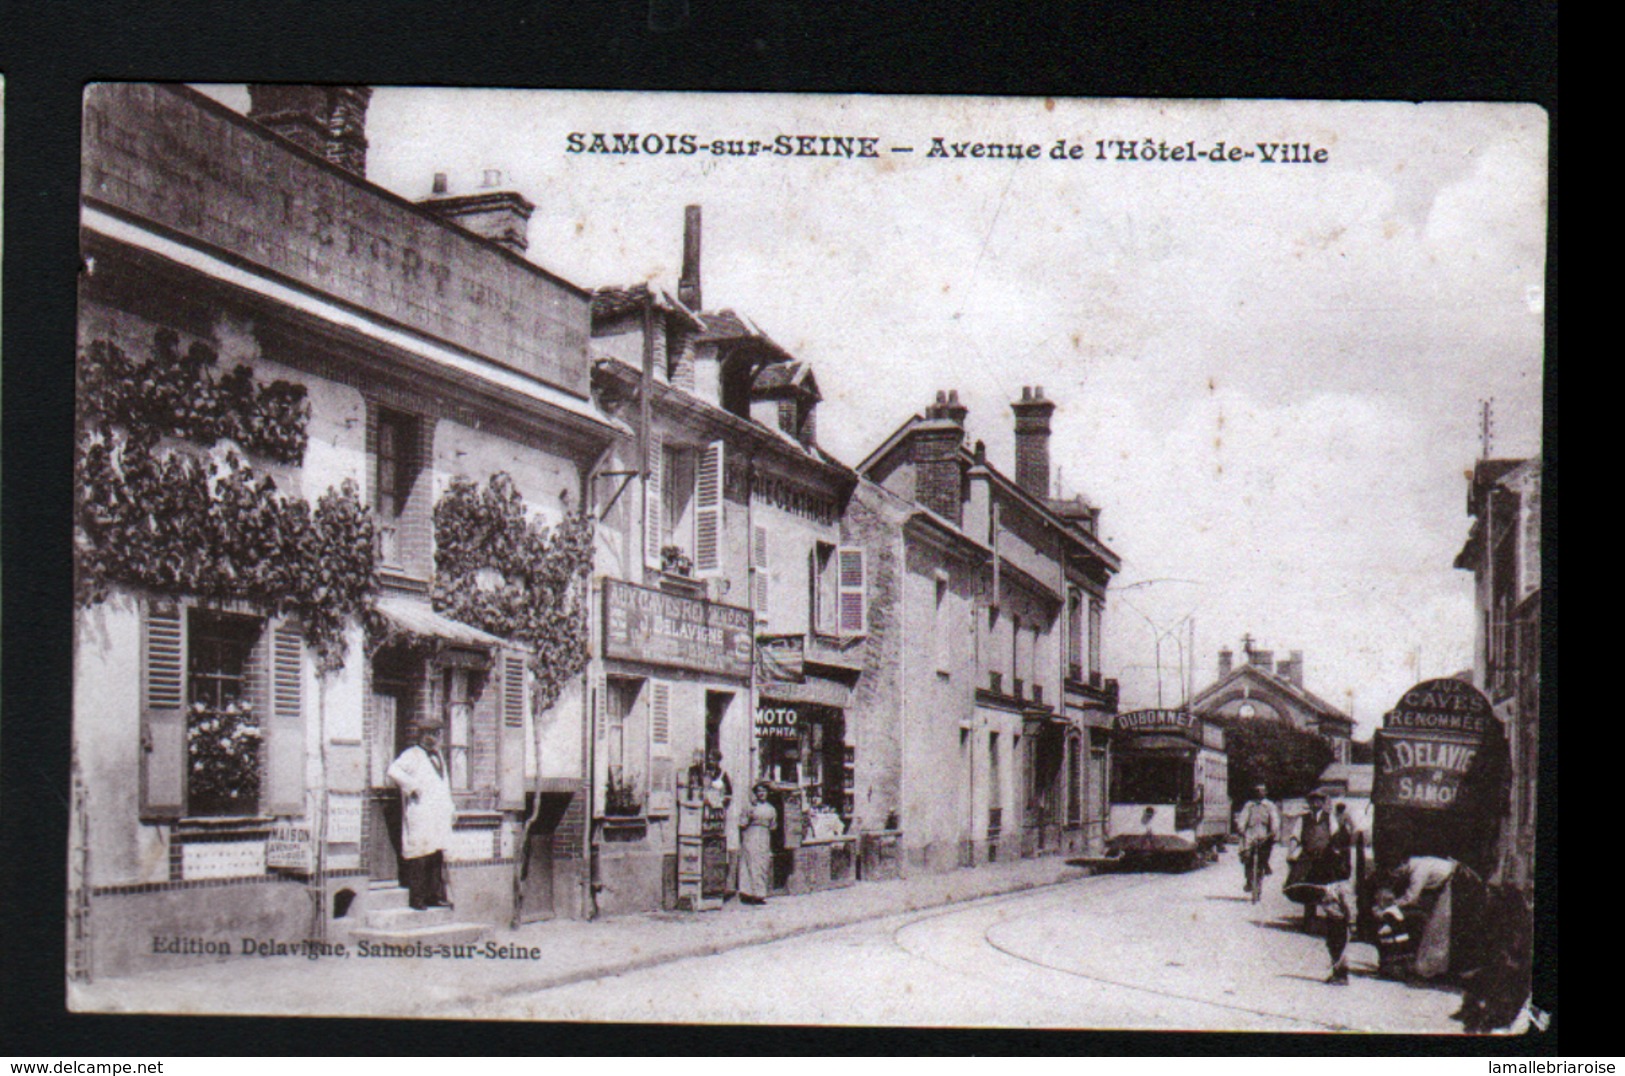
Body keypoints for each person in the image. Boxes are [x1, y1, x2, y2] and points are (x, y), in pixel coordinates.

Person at [387, 722, 456, 911]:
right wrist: (412, 786)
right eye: (431, 734)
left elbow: (444, 785)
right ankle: (416, 898)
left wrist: (451, 808)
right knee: (420, 854)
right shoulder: (412, 755)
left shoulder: (439, 756)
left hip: (438, 813)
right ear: (423, 736)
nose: (435, 738)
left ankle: (433, 896)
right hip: (421, 811)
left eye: (437, 734)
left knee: (436, 854)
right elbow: (393, 770)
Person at [1285, 788, 1338, 928]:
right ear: (1309, 803)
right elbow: (1295, 837)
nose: (1315, 803)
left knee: (1327, 888)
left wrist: (1336, 852)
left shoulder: (1329, 818)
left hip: (1325, 857)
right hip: (1307, 857)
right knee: (1307, 886)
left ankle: (1331, 918)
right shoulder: (1303, 819)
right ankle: (1309, 918)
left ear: (1323, 802)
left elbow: (1336, 836)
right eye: (1312, 801)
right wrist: (1290, 852)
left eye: (1319, 800)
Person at [1236, 783, 1280, 902]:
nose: (1259, 793)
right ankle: (1249, 879)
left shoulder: (1269, 805)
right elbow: (1243, 818)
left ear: (1265, 792)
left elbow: (1275, 819)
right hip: (1250, 834)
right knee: (1246, 856)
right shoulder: (1249, 805)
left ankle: (1262, 873)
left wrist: (1273, 830)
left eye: (1262, 791)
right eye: (1257, 791)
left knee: (1263, 857)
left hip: (1264, 835)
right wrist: (1241, 828)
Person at [738, 780, 777, 906]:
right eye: (759, 791)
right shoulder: (751, 807)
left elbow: (773, 826)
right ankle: (748, 893)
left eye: (763, 791)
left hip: (764, 836)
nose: (761, 794)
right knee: (751, 862)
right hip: (751, 835)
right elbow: (742, 823)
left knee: (762, 863)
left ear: (767, 793)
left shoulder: (771, 809)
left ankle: (760, 894)